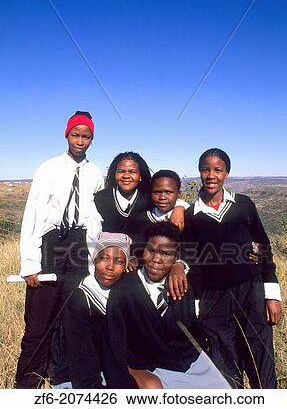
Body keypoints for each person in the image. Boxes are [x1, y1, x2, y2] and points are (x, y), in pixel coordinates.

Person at [15, 111, 104, 389]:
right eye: (76, 135)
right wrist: (30, 263)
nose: (80, 140)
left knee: (71, 315)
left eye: (86, 136)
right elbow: (33, 214)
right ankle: (27, 384)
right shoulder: (49, 168)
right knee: (40, 319)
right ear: (66, 135)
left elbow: (96, 218)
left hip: (80, 245)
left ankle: (61, 378)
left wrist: (94, 260)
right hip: (52, 244)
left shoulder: (95, 172)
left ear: (92, 139)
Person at [183, 148, 283, 388]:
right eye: (206, 169)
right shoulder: (191, 215)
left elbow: (264, 246)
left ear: (226, 173)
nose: (211, 175)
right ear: (199, 173)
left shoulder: (243, 205)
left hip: (249, 290)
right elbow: (193, 262)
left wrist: (272, 295)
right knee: (223, 358)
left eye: (218, 170)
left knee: (259, 351)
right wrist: (196, 306)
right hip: (212, 297)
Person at [102, 222, 230, 389]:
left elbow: (190, 327)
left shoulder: (181, 284)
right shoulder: (124, 290)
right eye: (151, 250)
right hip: (145, 365)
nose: (156, 259)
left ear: (176, 257)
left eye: (165, 253)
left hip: (185, 362)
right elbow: (114, 341)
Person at [63, 232, 131, 388]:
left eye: (119, 261)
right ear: (94, 260)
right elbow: (80, 357)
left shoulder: (123, 292)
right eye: (104, 258)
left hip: (111, 369)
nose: (109, 267)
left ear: (126, 267)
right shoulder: (81, 298)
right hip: (81, 376)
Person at [94, 153, 186, 264]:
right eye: (121, 171)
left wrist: (180, 207)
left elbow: (168, 199)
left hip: (139, 261)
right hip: (107, 260)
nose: (126, 176)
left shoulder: (148, 198)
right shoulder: (100, 199)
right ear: (114, 174)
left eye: (132, 172)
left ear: (141, 175)